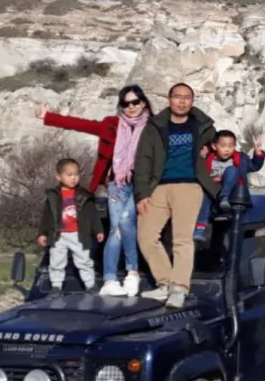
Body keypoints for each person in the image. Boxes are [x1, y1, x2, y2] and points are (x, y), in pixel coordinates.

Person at [35, 86, 153, 297]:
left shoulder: (154, 126)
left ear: (144, 103)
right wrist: (48, 116)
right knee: (115, 230)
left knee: (126, 222)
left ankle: (132, 273)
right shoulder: (112, 125)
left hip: (143, 186)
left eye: (136, 102)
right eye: (126, 104)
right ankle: (109, 280)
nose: (131, 107)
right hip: (117, 184)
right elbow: (81, 124)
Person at [134, 83, 219, 308]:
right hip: (158, 187)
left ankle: (179, 288)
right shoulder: (155, 125)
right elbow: (143, 159)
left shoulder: (202, 126)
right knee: (146, 235)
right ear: (168, 99)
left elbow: (220, 143)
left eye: (187, 98)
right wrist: (142, 193)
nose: (182, 101)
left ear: (192, 101)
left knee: (182, 239)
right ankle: (164, 283)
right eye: (177, 97)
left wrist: (209, 149)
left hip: (189, 186)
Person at [37, 158, 105, 297]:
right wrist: (42, 233)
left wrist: (98, 230)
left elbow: (92, 215)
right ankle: (56, 287)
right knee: (56, 262)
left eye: (76, 174)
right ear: (58, 176)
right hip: (58, 235)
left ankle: (90, 285)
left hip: (78, 234)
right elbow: (47, 216)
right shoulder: (53, 196)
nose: (73, 178)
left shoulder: (84, 195)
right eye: (69, 175)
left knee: (84, 260)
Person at [194, 130, 265, 242]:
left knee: (232, 170)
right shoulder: (209, 159)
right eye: (223, 146)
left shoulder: (239, 159)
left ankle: (224, 197)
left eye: (231, 146)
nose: (227, 149)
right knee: (205, 194)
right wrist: (201, 157)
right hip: (213, 193)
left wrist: (258, 153)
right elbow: (198, 171)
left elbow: (254, 166)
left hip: (231, 195)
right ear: (214, 146)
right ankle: (200, 228)